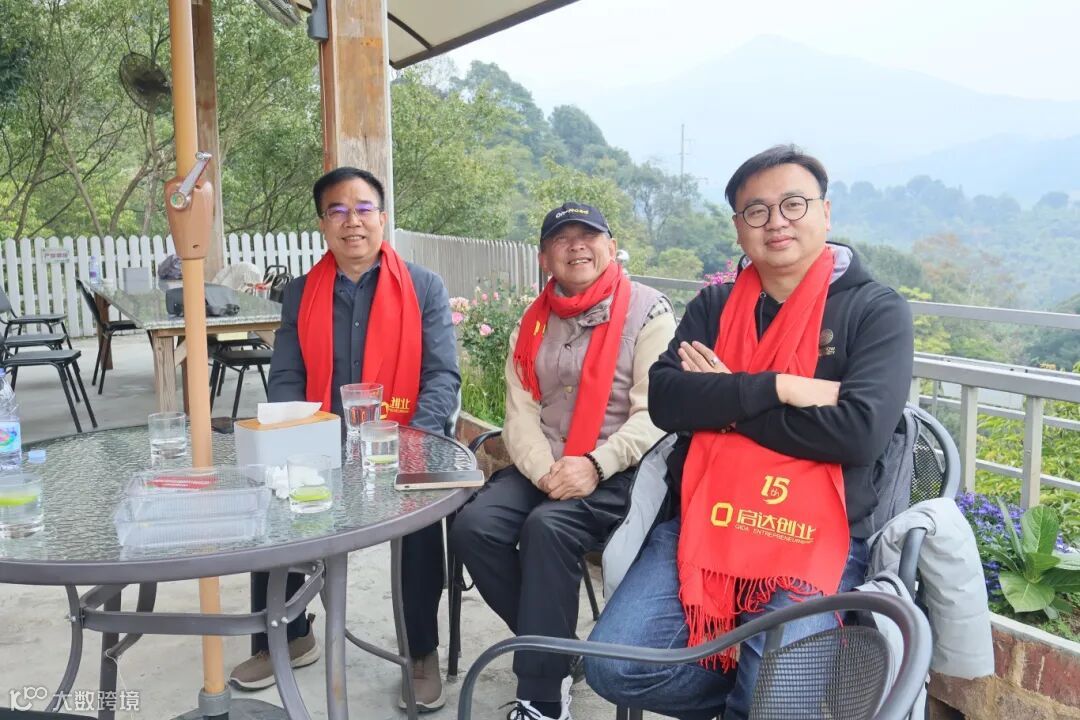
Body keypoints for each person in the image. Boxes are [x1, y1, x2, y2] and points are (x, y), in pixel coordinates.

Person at [584, 145, 915, 720]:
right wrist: (780, 387)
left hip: (820, 535)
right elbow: (667, 401)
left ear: (825, 212)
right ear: (739, 227)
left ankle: (768, 699)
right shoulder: (715, 306)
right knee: (613, 667)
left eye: (793, 204)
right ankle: (760, 696)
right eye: (756, 211)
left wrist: (725, 402)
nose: (776, 221)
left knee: (774, 697)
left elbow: (857, 434)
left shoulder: (875, 310)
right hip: (706, 517)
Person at [229, 167, 460, 712]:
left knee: (420, 521)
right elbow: (287, 374)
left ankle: (420, 652)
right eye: (337, 210)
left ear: (382, 218)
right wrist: (291, 440)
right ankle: (289, 637)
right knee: (274, 497)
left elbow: (441, 376)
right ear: (322, 223)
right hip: (323, 442)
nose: (351, 221)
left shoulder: (423, 286)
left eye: (363, 209)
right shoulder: (302, 292)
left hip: (399, 439)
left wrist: (412, 439)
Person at [449, 202, 677, 720]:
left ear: (610, 248)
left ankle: (542, 697)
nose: (576, 246)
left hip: (624, 471)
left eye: (588, 235)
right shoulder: (532, 323)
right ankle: (558, 649)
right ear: (544, 257)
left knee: (547, 528)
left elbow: (656, 412)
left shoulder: (649, 312)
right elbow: (520, 413)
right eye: (561, 238)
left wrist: (594, 465)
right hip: (546, 465)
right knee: (473, 527)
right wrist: (544, 471)